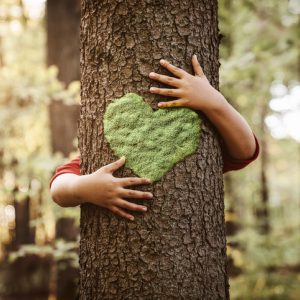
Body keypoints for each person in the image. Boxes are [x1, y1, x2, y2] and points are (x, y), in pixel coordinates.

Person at [49, 55, 260, 221]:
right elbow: (59, 188)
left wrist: (214, 102)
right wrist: (84, 188)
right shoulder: (106, 154)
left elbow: (246, 150)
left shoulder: (206, 142)